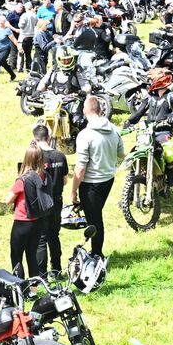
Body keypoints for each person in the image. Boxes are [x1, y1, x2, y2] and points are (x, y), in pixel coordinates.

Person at [71, 95, 123, 257]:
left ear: (85, 111)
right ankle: (95, 251)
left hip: (90, 184)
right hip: (108, 179)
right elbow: (120, 154)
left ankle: (97, 254)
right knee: (95, 216)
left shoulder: (85, 135)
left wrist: (73, 191)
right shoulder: (114, 129)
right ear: (100, 110)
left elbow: (80, 168)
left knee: (95, 221)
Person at [124, 68, 173, 188]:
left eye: (151, 80)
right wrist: (129, 121)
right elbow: (139, 113)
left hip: (163, 131)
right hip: (147, 131)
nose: (149, 82)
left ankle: (171, 174)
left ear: (160, 80)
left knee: (168, 153)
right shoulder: (149, 97)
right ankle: (132, 180)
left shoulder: (172, 96)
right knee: (136, 151)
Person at [31, 124, 68, 273]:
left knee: (41, 239)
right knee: (54, 235)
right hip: (57, 201)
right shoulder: (60, 156)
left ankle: (42, 274)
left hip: (41, 202)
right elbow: (65, 181)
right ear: (48, 137)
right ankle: (56, 270)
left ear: (35, 139)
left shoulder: (35, 157)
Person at [6, 145, 47, 277]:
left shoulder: (23, 180)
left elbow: (8, 200)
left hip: (22, 222)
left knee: (16, 257)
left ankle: (20, 286)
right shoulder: (44, 176)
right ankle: (34, 287)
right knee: (32, 256)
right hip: (38, 221)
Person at [0, 15, 18, 84]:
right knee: (4, 64)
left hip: (5, 49)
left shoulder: (7, 30)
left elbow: (13, 39)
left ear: (5, 22)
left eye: (2, 21)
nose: (1, 23)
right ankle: (13, 75)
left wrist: (19, 47)